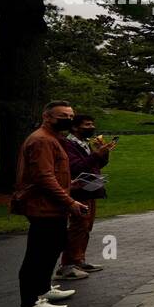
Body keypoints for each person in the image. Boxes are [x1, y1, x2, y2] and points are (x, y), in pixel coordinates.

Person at [10, 100, 90, 307]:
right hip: (42, 206)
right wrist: (70, 202)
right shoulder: (42, 140)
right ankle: (28, 303)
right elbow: (43, 177)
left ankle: (43, 289)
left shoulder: (53, 139)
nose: (68, 119)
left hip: (52, 205)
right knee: (38, 253)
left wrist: (71, 184)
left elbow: (52, 174)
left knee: (53, 247)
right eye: (62, 116)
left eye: (71, 115)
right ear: (47, 117)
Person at [55, 113, 116, 280]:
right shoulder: (68, 144)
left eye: (92, 124)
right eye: (88, 125)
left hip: (90, 189)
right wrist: (96, 154)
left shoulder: (84, 144)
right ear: (75, 127)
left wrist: (103, 153)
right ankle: (66, 266)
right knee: (77, 226)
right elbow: (76, 167)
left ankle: (79, 259)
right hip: (78, 191)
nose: (91, 128)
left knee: (86, 226)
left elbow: (97, 164)